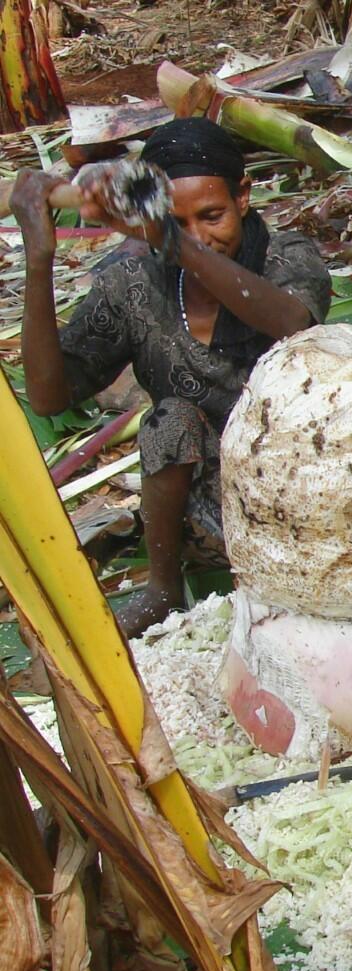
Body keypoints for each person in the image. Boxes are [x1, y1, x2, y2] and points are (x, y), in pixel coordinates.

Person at [15, 117, 332, 637]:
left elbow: (292, 324)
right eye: (178, 222)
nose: (200, 235)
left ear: (243, 198)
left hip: (303, 490)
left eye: (212, 216)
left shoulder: (287, 258)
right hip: (207, 514)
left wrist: (171, 238)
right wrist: (39, 258)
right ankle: (162, 590)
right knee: (171, 419)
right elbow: (50, 396)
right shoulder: (132, 283)